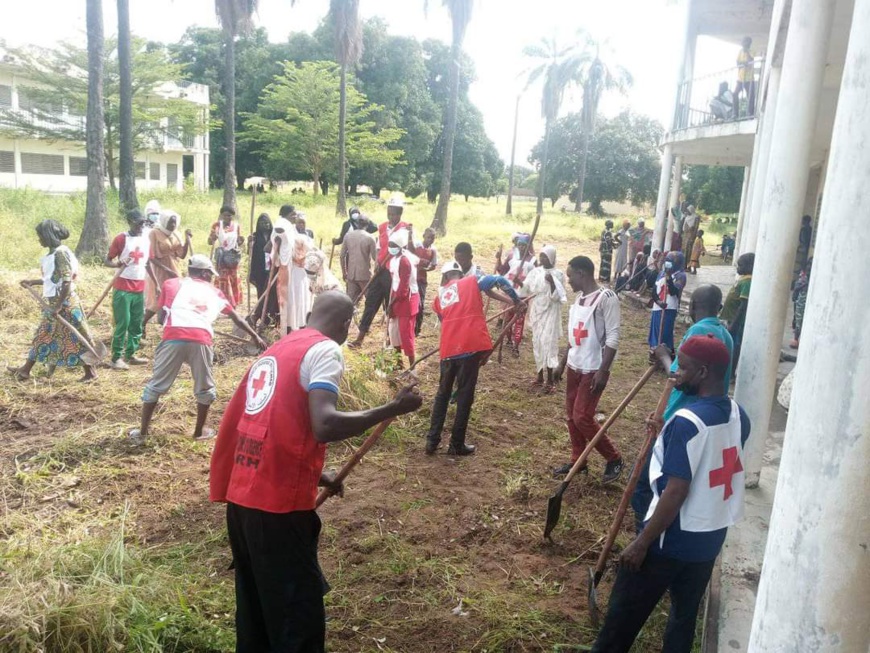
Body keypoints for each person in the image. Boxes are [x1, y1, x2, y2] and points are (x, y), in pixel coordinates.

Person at [209, 291, 423, 653]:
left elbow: (270, 421)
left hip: (242, 500)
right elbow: (323, 424)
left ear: (310, 314)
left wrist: (314, 473)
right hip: (277, 510)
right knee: (296, 618)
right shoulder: (325, 351)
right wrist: (391, 408)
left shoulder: (279, 349)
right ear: (345, 324)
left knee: (257, 612)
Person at [591, 335, 750, 653]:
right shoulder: (738, 414)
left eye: (684, 368)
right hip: (709, 540)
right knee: (683, 617)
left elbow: (676, 491)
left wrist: (641, 543)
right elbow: (708, 464)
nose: (676, 373)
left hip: (668, 542)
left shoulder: (686, 423)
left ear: (703, 372)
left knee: (619, 626)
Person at [129, 255, 266, 444]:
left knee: (156, 385)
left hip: (173, 338)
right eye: (210, 274)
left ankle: (142, 433)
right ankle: (199, 432)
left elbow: (161, 318)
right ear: (204, 273)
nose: (211, 278)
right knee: (204, 387)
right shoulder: (215, 292)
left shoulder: (171, 285)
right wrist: (255, 336)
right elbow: (237, 318)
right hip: (201, 339)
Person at [631, 284, 734, 532]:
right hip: (706, 413)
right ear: (718, 307)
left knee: (649, 484)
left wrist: (664, 355)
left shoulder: (699, 331)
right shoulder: (726, 334)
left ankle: (644, 535)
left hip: (682, 415)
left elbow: (679, 376)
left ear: (691, 307)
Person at [425, 260, 523, 456]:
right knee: (464, 396)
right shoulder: (471, 281)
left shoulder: (440, 295)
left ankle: (432, 442)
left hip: (448, 349)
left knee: (442, 395)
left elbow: (443, 319)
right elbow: (499, 279)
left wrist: (510, 302)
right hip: (469, 348)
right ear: (458, 274)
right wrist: (517, 299)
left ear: (445, 277)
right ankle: (456, 444)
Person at [553, 256, 624, 484]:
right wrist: (563, 363)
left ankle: (613, 458)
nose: (569, 280)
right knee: (571, 417)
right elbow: (575, 336)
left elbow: (613, 335)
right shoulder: (579, 300)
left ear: (582, 273)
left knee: (582, 416)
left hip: (593, 367)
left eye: (570, 275)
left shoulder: (606, 298)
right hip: (575, 364)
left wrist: (603, 371)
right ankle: (578, 460)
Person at [12, 220, 97, 382]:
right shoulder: (52, 255)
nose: (39, 240)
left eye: (40, 236)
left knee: (76, 337)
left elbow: (66, 282)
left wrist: (58, 306)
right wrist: (33, 282)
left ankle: (91, 373)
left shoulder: (60, 254)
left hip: (65, 304)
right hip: (56, 304)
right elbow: (54, 279)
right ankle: (25, 370)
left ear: (48, 236)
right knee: (43, 335)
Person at [349, 196, 408, 348]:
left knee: (391, 308)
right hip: (379, 272)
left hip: (394, 274)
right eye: (389, 213)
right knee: (370, 303)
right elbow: (379, 247)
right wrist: (377, 263)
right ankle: (359, 339)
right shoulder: (382, 227)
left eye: (394, 213)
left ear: (400, 213)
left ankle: (391, 342)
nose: (391, 216)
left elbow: (405, 251)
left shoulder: (405, 228)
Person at [105, 209, 151, 370]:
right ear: (130, 221)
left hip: (139, 286)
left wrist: (156, 283)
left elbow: (147, 262)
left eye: (143, 223)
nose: (141, 226)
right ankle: (116, 357)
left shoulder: (146, 239)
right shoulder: (121, 238)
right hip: (123, 287)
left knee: (136, 323)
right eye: (138, 222)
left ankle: (130, 354)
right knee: (122, 323)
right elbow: (107, 260)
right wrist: (117, 263)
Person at [520, 245, 567, 393]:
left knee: (549, 344)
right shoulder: (535, 272)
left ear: (552, 257)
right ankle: (539, 376)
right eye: (541, 256)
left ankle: (550, 380)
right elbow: (526, 288)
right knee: (538, 343)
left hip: (551, 312)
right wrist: (518, 281)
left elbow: (558, 296)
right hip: (537, 310)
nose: (542, 259)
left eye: (545, 256)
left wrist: (552, 282)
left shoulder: (558, 274)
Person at [143, 210, 192, 334]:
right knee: (157, 300)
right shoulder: (154, 233)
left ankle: (168, 326)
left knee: (174, 298)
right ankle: (141, 324)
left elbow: (181, 255)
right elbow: (151, 257)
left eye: (175, 223)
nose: (173, 225)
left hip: (174, 269)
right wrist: (167, 270)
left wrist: (187, 240)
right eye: (170, 222)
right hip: (159, 270)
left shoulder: (176, 234)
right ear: (164, 221)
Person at [496, 233, 535, 356]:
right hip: (510, 294)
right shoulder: (512, 256)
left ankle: (516, 346)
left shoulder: (533, 260)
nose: (521, 247)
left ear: (529, 246)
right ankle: (508, 340)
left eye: (524, 245)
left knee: (519, 321)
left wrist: (523, 283)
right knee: (507, 318)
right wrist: (498, 258)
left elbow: (535, 279)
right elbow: (502, 271)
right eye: (519, 245)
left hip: (523, 295)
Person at [385, 229, 419, 368]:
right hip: (396, 299)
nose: (391, 248)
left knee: (406, 334)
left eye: (394, 245)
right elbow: (395, 283)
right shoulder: (395, 259)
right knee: (394, 332)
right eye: (390, 245)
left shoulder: (405, 261)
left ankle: (412, 367)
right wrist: (391, 302)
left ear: (401, 247)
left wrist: (391, 304)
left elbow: (403, 288)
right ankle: (399, 363)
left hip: (406, 301)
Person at [273, 217, 313, 335]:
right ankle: (290, 326)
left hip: (303, 273)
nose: (301, 225)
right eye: (299, 222)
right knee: (292, 298)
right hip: (291, 273)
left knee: (302, 297)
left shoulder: (308, 236)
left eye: (303, 222)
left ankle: (303, 324)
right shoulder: (289, 238)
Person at [720, 252, 754, 370]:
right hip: (730, 319)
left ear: (749, 266)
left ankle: (731, 371)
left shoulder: (747, 282)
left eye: (741, 265)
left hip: (736, 322)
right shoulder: (743, 279)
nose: (738, 268)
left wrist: (734, 324)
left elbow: (743, 305)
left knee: (734, 347)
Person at [649, 252, 687, 354]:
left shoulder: (681, 276)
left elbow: (674, 291)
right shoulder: (661, 273)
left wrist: (669, 278)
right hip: (658, 307)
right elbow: (654, 290)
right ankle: (654, 351)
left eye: (671, 262)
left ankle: (666, 353)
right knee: (656, 331)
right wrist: (658, 301)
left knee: (665, 332)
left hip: (670, 308)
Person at [208, 205, 244, 307]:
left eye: (230, 216)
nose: (228, 218)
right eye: (225, 215)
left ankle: (233, 303)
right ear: (221, 215)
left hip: (232, 257)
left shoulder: (236, 226)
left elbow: (239, 241)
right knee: (223, 279)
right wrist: (213, 238)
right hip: (221, 258)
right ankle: (221, 303)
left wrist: (241, 241)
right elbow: (210, 242)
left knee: (233, 278)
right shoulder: (216, 226)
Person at [249, 212, 279, 325]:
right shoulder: (255, 236)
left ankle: (271, 317)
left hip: (272, 268)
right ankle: (262, 316)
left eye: (267, 222)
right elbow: (251, 254)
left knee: (271, 294)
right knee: (261, 293)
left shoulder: (274, 235)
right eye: (262, 223)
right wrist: (250, 244)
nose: (265, 225)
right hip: (260, 269)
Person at [409, 227, 438, 336]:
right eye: (428, 237)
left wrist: (425, 269)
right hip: (411, 277)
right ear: (424, 237)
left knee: (420, 304)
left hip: (421, 279)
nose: (430, 240)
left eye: (432, 238)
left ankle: (417, 329)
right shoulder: (416, 245)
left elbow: (434, 266)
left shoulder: (433, 250)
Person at [340, 216, 377, 304]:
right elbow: (376, 258)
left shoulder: (348, 236)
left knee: (350, 303)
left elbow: (342, 256)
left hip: (351, 274)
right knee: (370, 301)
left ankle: (349, 318)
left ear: (356, 224)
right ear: (367, 225)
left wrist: (344, 272)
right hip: (365, 275)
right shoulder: (370, 238)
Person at [790, 258, 811, 349]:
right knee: (799, 319)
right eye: (809, 266)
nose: (810, 268)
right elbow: (796, 288)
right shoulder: (803, 277)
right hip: (801, 301)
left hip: (805, 301)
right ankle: (796, 338)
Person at [734, 36, 756, 118]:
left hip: (749, 78)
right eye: (743, 42)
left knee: (750, 96)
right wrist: (743, 63)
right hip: (740, 78)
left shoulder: (751, 51)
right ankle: (735, 114)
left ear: (749, 43)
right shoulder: (740, 51)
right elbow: (738, 63)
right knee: (735, 94)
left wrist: (747, 52)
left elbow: (751, 60)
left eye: (745, 42)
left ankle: (750, 114)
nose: (743, 44)